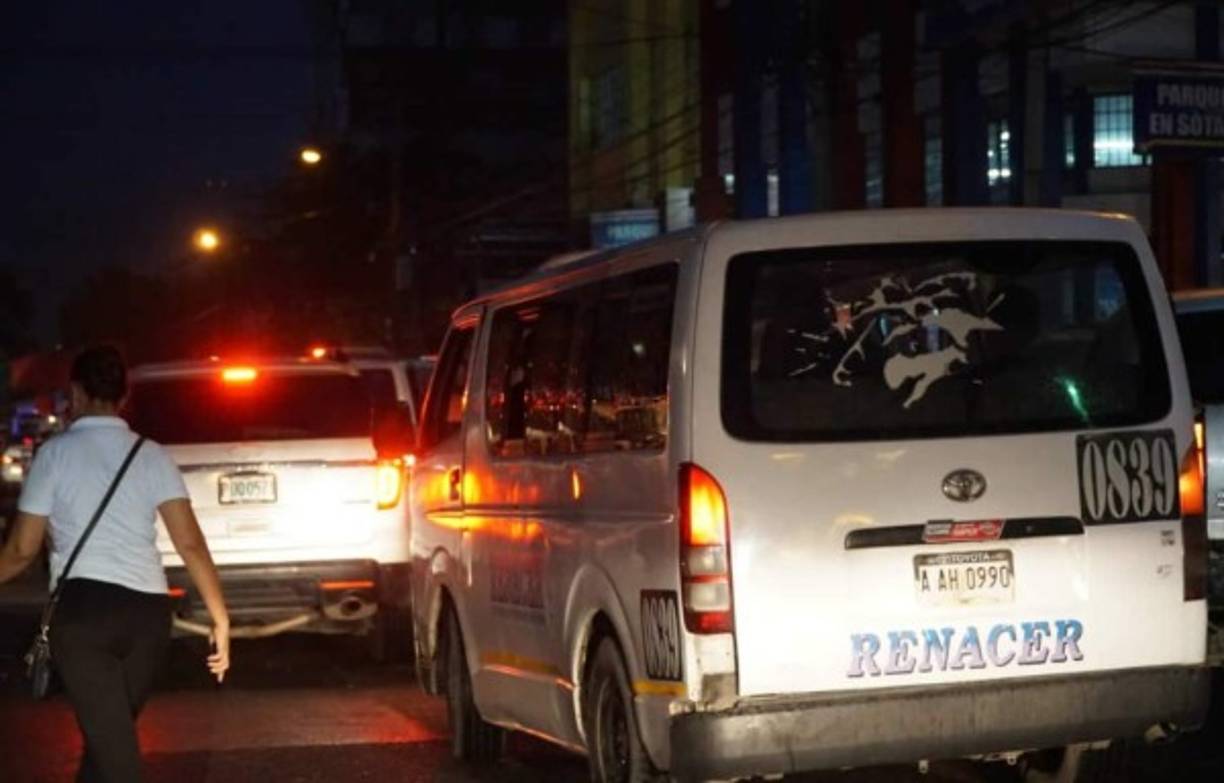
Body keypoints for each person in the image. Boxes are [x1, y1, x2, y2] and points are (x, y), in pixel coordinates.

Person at [0, 346, 230, 782]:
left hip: (83, 615)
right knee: (109, 740)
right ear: (123, 397)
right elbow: (190, 544)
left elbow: (20, 552)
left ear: (76, 393)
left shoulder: (54, 455)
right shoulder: (154, 455)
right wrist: (220, 617)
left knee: (113, 751)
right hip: (146, 616)